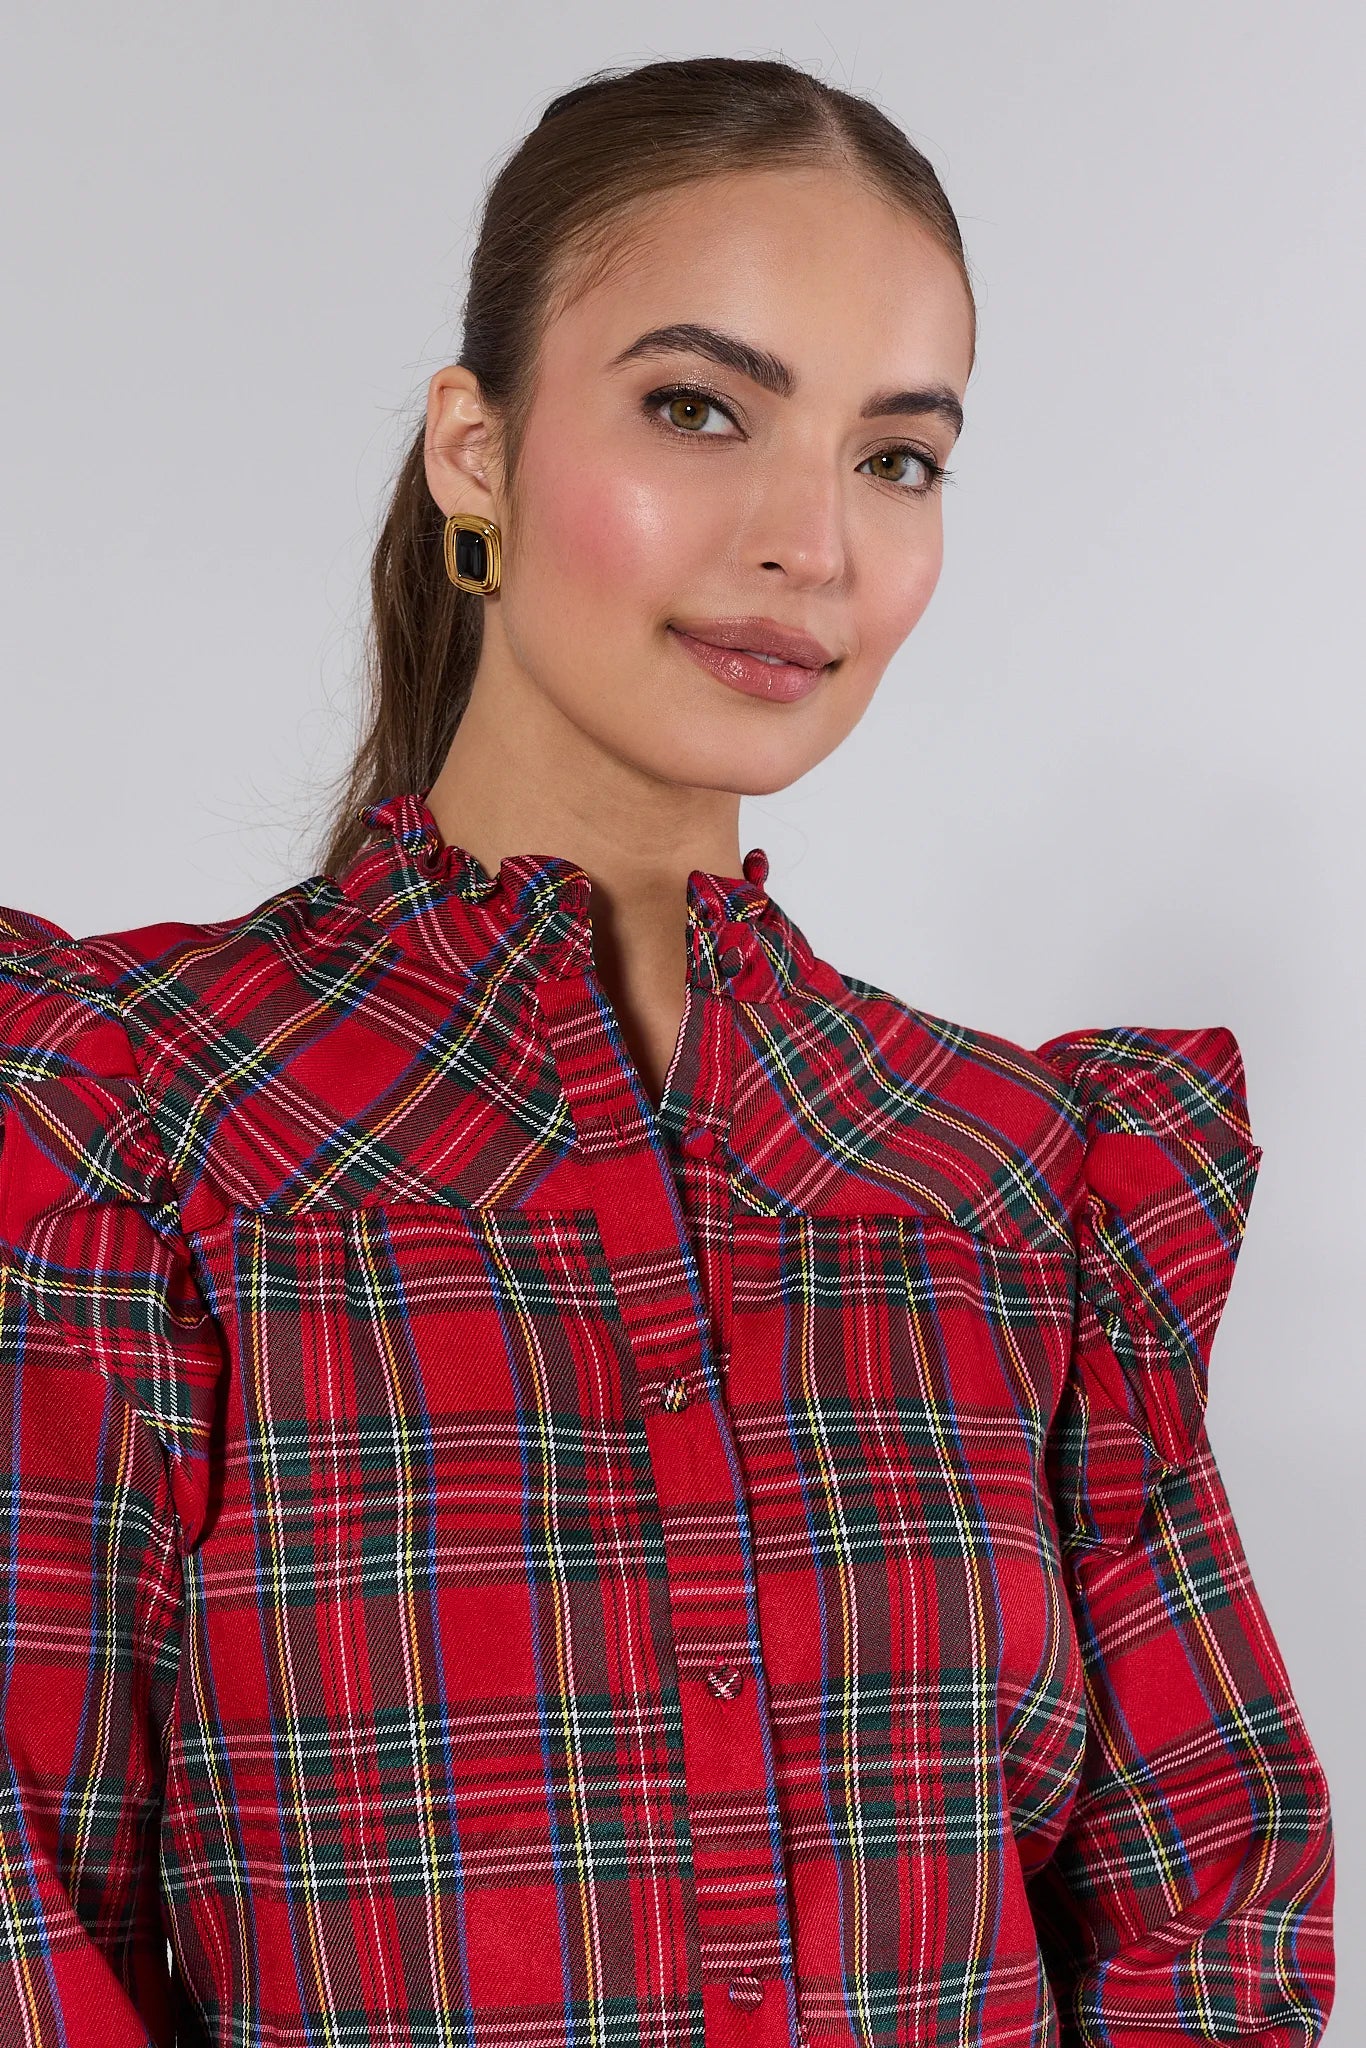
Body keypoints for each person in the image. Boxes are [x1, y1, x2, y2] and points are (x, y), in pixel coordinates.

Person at [0, 52, 1335, 2048]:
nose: (810, 540)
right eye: (696, 409)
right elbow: (32, 1923)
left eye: (894, 457)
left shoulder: (1008, 1180)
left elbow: (1201, 1906)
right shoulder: (143, 1125)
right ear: (475, 447)